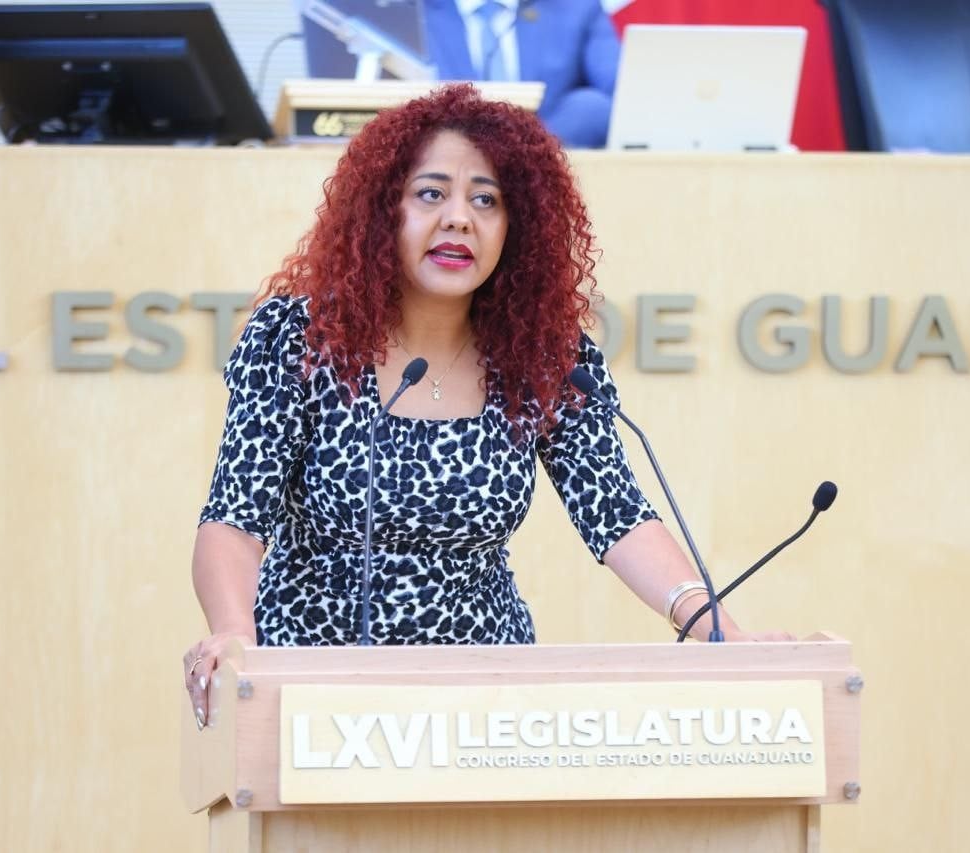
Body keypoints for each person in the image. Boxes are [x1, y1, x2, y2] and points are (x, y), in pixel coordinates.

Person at [182, 84, 790, 728]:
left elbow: (617, 516)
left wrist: (719, 630)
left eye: (486, 200)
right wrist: (234, 633)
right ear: (382, 211)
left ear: (516, 228)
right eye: (430, 193)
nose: (459, 219)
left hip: (488, 704)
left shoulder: (546, 358)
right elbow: (234, 518)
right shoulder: (299, 339)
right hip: (314, 696)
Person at [422, 0, 620, 147]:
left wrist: (532, 150)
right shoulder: (413, 11)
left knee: (590, 104)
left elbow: (620, 92)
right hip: (446, 158)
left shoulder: (577, 7)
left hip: (546, 159)